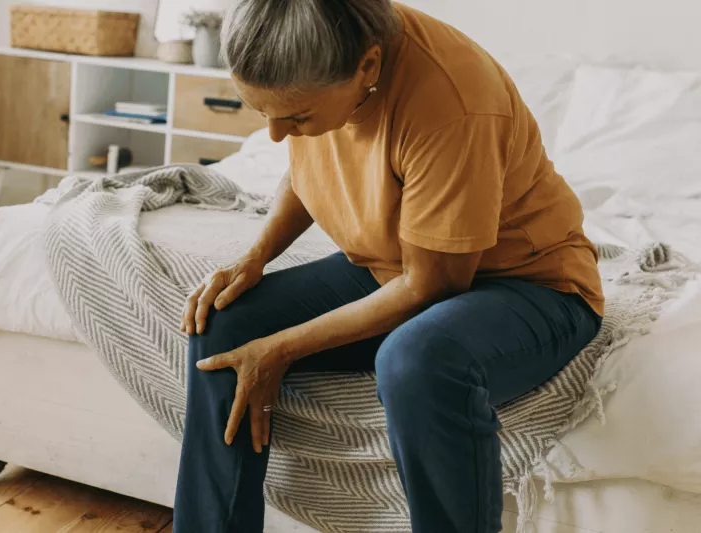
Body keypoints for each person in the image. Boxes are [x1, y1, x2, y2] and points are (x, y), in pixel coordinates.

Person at [173, 1, 604, 532]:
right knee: (223, 323)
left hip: (528, 283)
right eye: (261, 113)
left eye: (297, 117)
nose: (277, 136)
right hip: (394, 263)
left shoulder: (453, 101)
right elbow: (311, 163)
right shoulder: (319, 48)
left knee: (416, 359)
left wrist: (282, 348)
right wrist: (255, 258)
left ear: (369, 69)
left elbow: (432, 284)